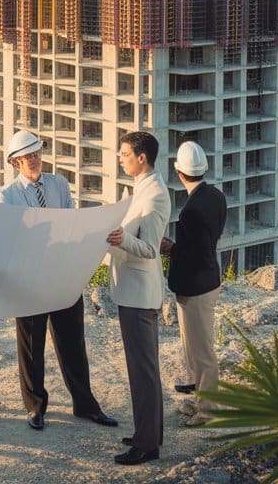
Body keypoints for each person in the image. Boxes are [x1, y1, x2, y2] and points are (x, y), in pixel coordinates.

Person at [0, 130, 118, 432]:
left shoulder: (59, 184)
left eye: (37, 154)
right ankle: (35, 407)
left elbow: (71, 222)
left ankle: (86, 405)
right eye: (27, 157)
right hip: (29, 280)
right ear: (15, 162)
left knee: (73, 343)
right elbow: (9, 240)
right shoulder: (4, 196)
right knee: (31, 347)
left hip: (63, 274)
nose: (34, 160)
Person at [105, 131, 170, 466]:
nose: (120, 158)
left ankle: (147, 445)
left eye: (125, 153)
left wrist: (121, 239)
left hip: (140, 294)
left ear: (141, 157)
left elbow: (151, 249)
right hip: (129, 290)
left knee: (143, 371)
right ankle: (149, 433)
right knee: (141, 369)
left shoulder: (156, 194)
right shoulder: (141, 188)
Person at [160, 141, 227, 426]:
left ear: (179, 173)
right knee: (195, 349)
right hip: (210, 280)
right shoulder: (215, 196)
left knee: (201, 352)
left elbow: (192, 255)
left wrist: (170, 248)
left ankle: (208, 409)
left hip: (195, 288)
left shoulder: (189, 211)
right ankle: (200, 400)